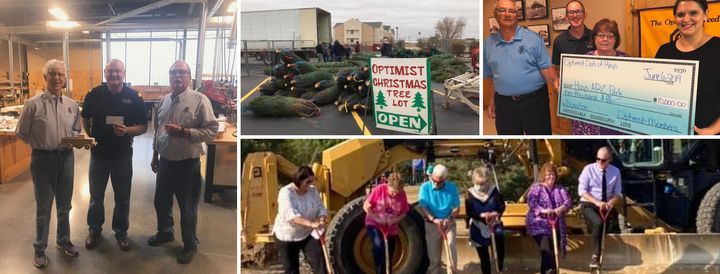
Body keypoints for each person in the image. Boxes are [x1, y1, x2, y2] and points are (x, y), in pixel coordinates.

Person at [149, 60, 219, 264]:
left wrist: (184, 132)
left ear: (189, 77)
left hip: (188, 165)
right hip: (165, 163)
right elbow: (158, 132)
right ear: (169, 77)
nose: (177, 76)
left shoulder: (200, 100)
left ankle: (189, 245)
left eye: (181, 73)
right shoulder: (163, 101)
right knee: (161, 202)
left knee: (187, 208)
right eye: (173, 73)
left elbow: (212, 131)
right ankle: (165, 232)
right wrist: (155, 156)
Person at [16, 59, 81, 268]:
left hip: (67, 159)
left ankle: (63, 241)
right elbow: (22, 133)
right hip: (42, 159)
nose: (56, 78)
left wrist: (75, 139)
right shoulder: (32, 105)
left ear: (65, 79)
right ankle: (40, 248)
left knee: (65, 205)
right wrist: (42, 144)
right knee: (44, 207)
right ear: (45, 78)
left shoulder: (72, 105)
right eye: (52, 74)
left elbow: (77, 130)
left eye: (60, 74)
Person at [83, 59, 148, 251]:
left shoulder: (134, 97)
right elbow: (85, 118)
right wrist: (90, 136)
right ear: (105, 73)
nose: (114, 75)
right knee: (96, 196)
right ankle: (94, 230)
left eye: (117, 71)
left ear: (124, 73)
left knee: (122, 197)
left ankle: (121, 232)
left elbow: (143, 126)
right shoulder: (94, 95)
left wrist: (127, 130)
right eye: (110, 71)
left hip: (122, 156)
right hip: (98, 155)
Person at [484, 0, 557, 135]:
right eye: (502, 10)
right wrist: (491, 100)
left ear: (517, 15)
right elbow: (493, 77)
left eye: (512, 11)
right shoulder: (487, 44)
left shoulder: (534, 39)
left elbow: (546, 69)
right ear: (495, 14)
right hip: (504, 105)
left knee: (539, 140)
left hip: (534, 103)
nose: (507, 14)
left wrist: (557, 82)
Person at [655, 0, 720, 135]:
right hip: (670, 131)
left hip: (710, 138)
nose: (686, 19)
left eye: (693, 13)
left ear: (706, 14)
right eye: (680, 14)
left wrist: (712, 130)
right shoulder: (664, 51)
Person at [571, 19, 627, 135]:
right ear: (594, 38)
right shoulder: (582, 62)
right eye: (601, 35)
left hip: (617, 117)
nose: (605, 39)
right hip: (590, 119)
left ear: (616, 39)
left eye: (610, 36)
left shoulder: (626, 61)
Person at [272, 166, 328, 274]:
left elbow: (321, 208)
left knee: (319, 260)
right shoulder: (286, 193)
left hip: (307, 234)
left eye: (312, 180)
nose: (311, 184)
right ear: (299, 180)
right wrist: (312, 224)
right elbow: (292, 217)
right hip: (287, 237)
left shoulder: (313, 191)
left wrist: (321, 219)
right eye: (308, 181)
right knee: (291, 269)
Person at [578, 146, 622, 268]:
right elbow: (581, 191)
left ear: (610, 159)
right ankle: (595, 257)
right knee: (598, 223)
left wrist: (610, 203)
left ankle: (604, 256)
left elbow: (618, 193)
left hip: (606, 205)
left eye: (603, 160)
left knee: (605, 229)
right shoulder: (588, 169)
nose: (599, 162)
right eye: (597, 159)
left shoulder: (616, 172)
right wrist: (597, 202)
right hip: (589, 203)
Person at [526, 163, 573, 274]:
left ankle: (547, 271)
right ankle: (551, 271)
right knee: (546, 248)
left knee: (552, 250)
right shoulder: (536, 188)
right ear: (543, 175)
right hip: (539, 224)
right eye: (548, 174)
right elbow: (531, 202)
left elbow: (568, 201)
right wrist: (543, 210)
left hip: (555, 224)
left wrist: (560, 209)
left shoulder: (559, 189)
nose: (550, 177)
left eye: (552, 174)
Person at [363, 172, 410, 274]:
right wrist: (378, 218)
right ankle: (379, 271)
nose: (395, 194)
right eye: (393, 192)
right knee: (379, 246)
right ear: (388, 185)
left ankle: (388, 271)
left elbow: (404, 213)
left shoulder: (402, 194)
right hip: (374, 223)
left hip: (391, 227)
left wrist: (394, 221)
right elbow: (366, 206)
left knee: (389, 253)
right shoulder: (379, 189)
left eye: (398, 192)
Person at [418, 164, 460, 274]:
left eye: (439, 182)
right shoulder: (425, 187)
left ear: (445, 179)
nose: (436, 183)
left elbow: (456, 208)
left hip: (448, 223)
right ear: (431, 176)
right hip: (432, 224)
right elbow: (423, 207)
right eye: (434, 180)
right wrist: (434, 219)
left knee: (451, 249)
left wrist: (450, 217)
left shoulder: (452, 187)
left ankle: (452, 271)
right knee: (434, 257)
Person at [464, 167, 505, 274]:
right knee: (484, 257)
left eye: (483, 183)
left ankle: (499, 269)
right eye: (478, 183)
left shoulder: (494, 191)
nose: (480, 186)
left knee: (499, 247)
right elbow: (469, 212)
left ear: (487, 181)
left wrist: (496, 213)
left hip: (494, 223)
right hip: (478, 226)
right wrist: (480, 215)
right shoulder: (470, 194)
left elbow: (501, 206)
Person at [551, 1, 595, 71]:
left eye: (578, 11)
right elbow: (557, 67)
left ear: (585, 15)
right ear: (566, 17)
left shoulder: (595, 37)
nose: (575, 15)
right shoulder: (559, 41)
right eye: (571, 12)